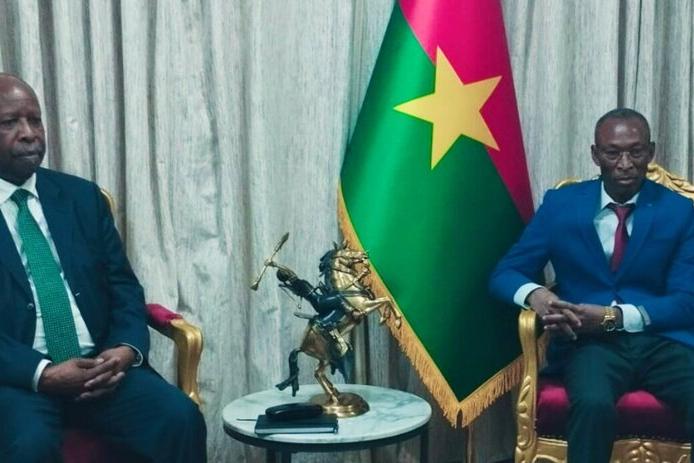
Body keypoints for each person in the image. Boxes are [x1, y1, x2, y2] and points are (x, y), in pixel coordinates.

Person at [0, 73, 206, 462]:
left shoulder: (81, 197)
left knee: (179, 417)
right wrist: (43, 373)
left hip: (100, 370)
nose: (29, 134)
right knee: (28, 446)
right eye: (10, 122)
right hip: (19, 383)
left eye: (35, 120)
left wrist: (124, 349)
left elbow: (123, 287)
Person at [489, 108, 694, 462]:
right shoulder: (562, 205)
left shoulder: (679, 211)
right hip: (589, 345)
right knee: (593, 405)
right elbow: (505, 273)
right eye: (613, 153)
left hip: (662, 340)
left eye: (636, 151)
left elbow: (686, 300)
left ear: (651, 152)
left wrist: (614, 317)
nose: (625, 164)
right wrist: (537, 295)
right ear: (596, 155)